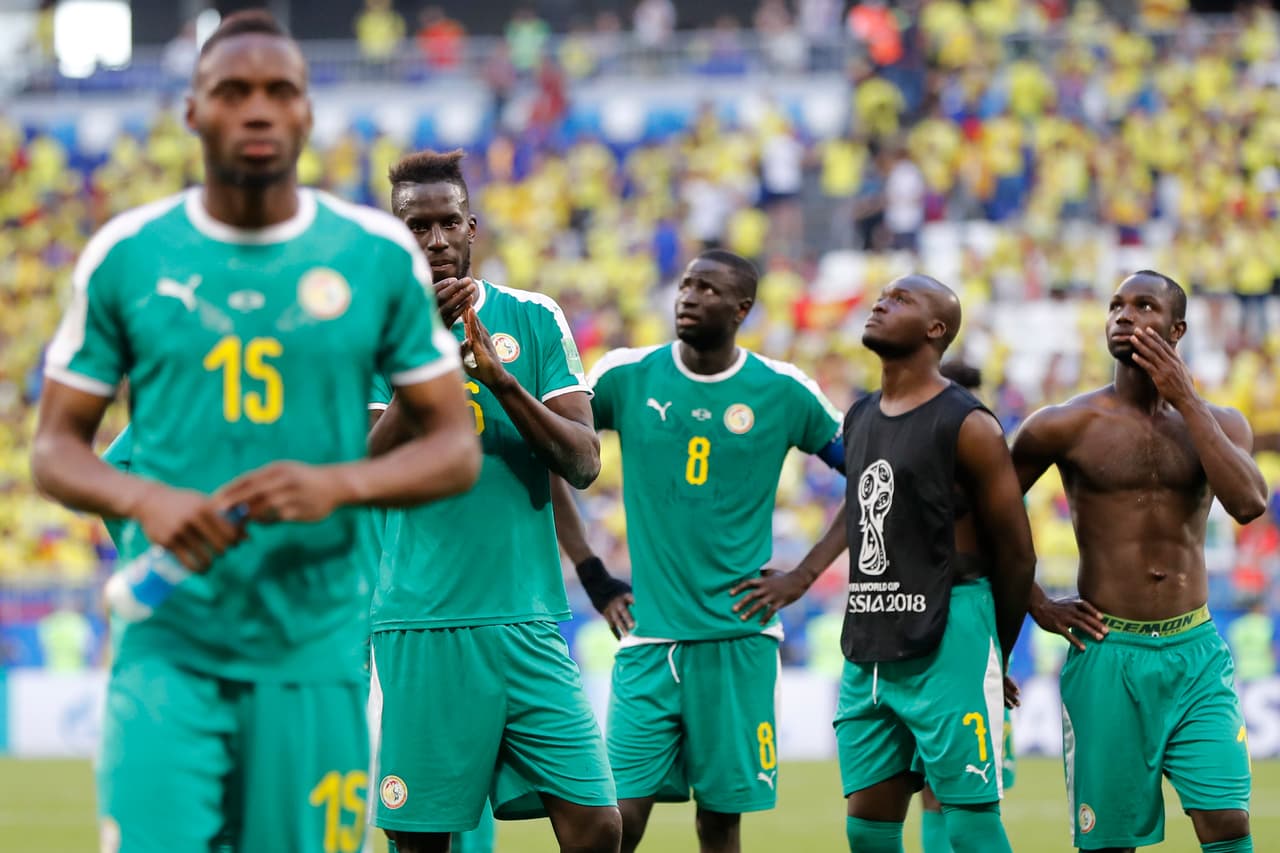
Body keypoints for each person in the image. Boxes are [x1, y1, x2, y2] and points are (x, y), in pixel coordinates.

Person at [29, 11, 480, 853]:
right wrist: (145, 499)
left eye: (281, 91)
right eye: (233, 92)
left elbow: (454, 446)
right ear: (193, 112)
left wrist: (338, 482)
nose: (259, 109)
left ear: (307, 113)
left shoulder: (376, 256)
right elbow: (54, 447)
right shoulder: (127, 255)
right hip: (170, 647)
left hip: (315, 649)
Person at [367, 148, 620, 853]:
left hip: (528, 618)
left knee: (599, 824)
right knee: (423, 840)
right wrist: (432, 356)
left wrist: (504, 383)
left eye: (448, 221)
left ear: (472, 226)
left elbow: (584, 459)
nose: (436, 238)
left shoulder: (534, 318)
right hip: (423, 617)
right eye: (417, 226)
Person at [551, 249, 846, 853]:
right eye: (685, 284)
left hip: (739, 643)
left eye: (708, 289)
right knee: (616, 822)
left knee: (719, 824)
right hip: (648, 643)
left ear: (742, 309)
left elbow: (875, 475)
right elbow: (553, 452)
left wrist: (805, 575)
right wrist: (592, 572)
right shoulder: (625, 375)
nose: (688, 296)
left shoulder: (783, 390)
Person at [733, 274, 1036, 853]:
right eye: (883, 296)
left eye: (901, 300)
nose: (880, 303)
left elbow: (1017, 554)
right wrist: (803, 573)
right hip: (869, 633)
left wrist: (997, 647)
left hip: (949, 630)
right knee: (867, 823)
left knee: (967, 815)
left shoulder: (969, 425)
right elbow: (862, 505)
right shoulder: (861, 415)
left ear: (935, 329)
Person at [1011, 270, 1265, 852]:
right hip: (1107, 653)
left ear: (1176, 330)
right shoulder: (1063, 424)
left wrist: (1183, 396)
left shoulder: (1222, 423)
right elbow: (981, 512)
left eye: (1143, 306)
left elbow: (1249, 503)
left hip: (1195, 651)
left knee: (1227, 818)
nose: (1124, 316)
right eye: (1115, 305)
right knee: (1110, 844)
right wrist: (1036, 601)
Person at [917, 358, 1018, 853]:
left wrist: (1000, 651)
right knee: (938, 789)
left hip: (974, 638)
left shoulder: (986, 459)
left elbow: (1013, 556)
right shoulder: (920, 459)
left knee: (967, 791)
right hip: (931, 634)